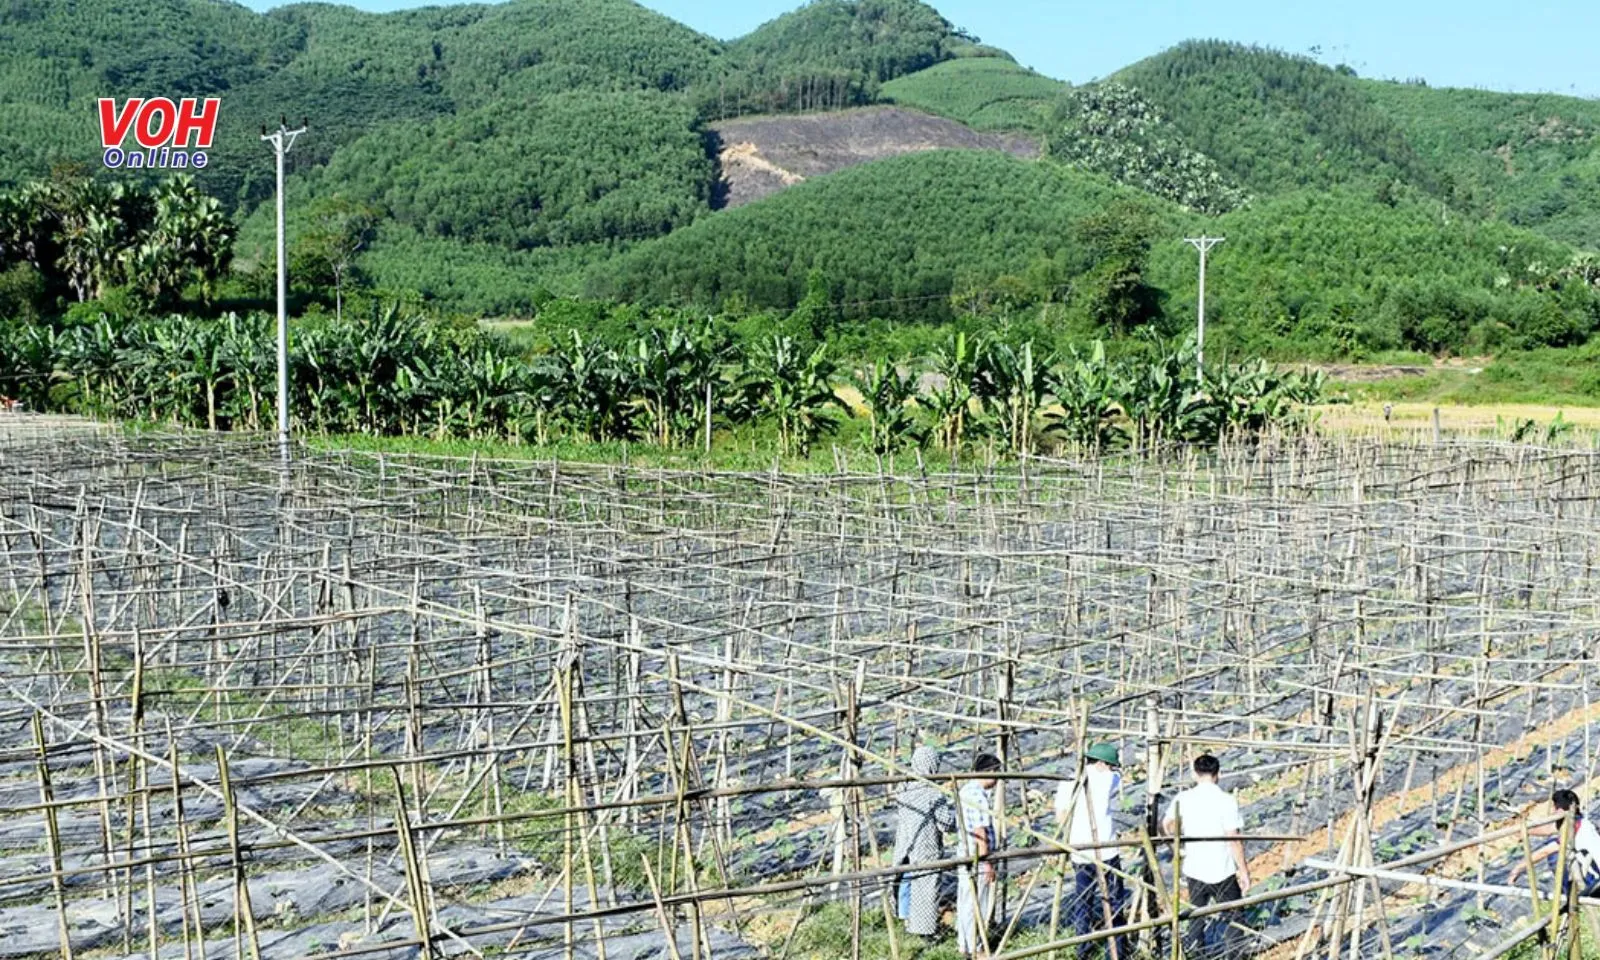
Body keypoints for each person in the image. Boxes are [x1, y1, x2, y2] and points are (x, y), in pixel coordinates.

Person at [1162, 754, 1250, 960]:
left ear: (1194, 773)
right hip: (1223, 867)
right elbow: (1234, 839)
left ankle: (1196, 954)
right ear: (1218, 774)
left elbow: (1167, 825)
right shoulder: (1227, 800)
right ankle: (1234, 955)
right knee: (1233, 916)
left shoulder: (1183, 798)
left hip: (1195, 867)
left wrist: (1178, 845)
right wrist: (1243, 871)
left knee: (1196, 916)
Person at [1057, 742, 1127, 960]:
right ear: (1101, 764)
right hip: (1106, 849)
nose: (1113, 769)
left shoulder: (1067, 783)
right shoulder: (1109, 779)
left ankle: (1083, 950)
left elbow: (1061, 817)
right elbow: (1117, 779)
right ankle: (1116, 951)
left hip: (1079, 850)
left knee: (1083, 902)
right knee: (1114, 902)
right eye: (1111, 765)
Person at [893, 745, 956, 938]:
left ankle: (905, 920)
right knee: (926, 887)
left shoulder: (903, 789)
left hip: (904, 843)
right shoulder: (933, 794)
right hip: (925, 846)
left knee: (905, 881)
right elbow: (946, 823)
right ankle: (924, 930)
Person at [1510, 789, 1600, 898]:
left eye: (1554, 807)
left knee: (1555, 857)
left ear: (1560, 810)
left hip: (1597, 882)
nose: (1552, 811)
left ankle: (1572, 895)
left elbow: (1544, 852)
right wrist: (1525, 830)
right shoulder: (1580, 821)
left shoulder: (1572, 830)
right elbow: (1548, 829)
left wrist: (1518, 868)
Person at [956, 753, 1002, 958]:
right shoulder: (976, 795)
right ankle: (976, 947)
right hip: (976, 855)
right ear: (989, 772)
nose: (998, 778)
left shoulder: (967, 789)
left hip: (966, 852)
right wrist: (987, 863)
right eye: (997, 773)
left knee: (966, 899)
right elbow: (980, 831)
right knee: (977, 901)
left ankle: (965, 944)